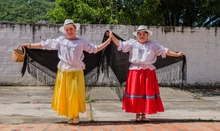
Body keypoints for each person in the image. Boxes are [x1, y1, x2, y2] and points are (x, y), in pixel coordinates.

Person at [21, 19, 112, 124]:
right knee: (66, 93)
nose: (69, 31)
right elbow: (46, 44)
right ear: (65, 31)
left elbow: (94, 49)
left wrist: (107, 42)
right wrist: (29, 45)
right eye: (67, 29)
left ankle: (75, 115)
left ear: (75, 30)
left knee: (75, 93)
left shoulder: (81, 41)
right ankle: (70, 115)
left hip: (77, 71)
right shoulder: (61, 41)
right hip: (64, 71)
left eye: (71, 29)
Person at [109, 25, 184, 121]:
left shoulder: (152, 45)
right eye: (140, 34)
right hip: (135, 71)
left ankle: (144, 115)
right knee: (136, 92)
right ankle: (137, 115)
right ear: (137, 35)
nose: (142, 36)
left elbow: (165, 51)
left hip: (148, 72)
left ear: (147, 35)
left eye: (144, 34)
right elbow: (120, 44)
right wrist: (112, 37)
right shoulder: (132, 43)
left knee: (146, 92)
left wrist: (176, 54)